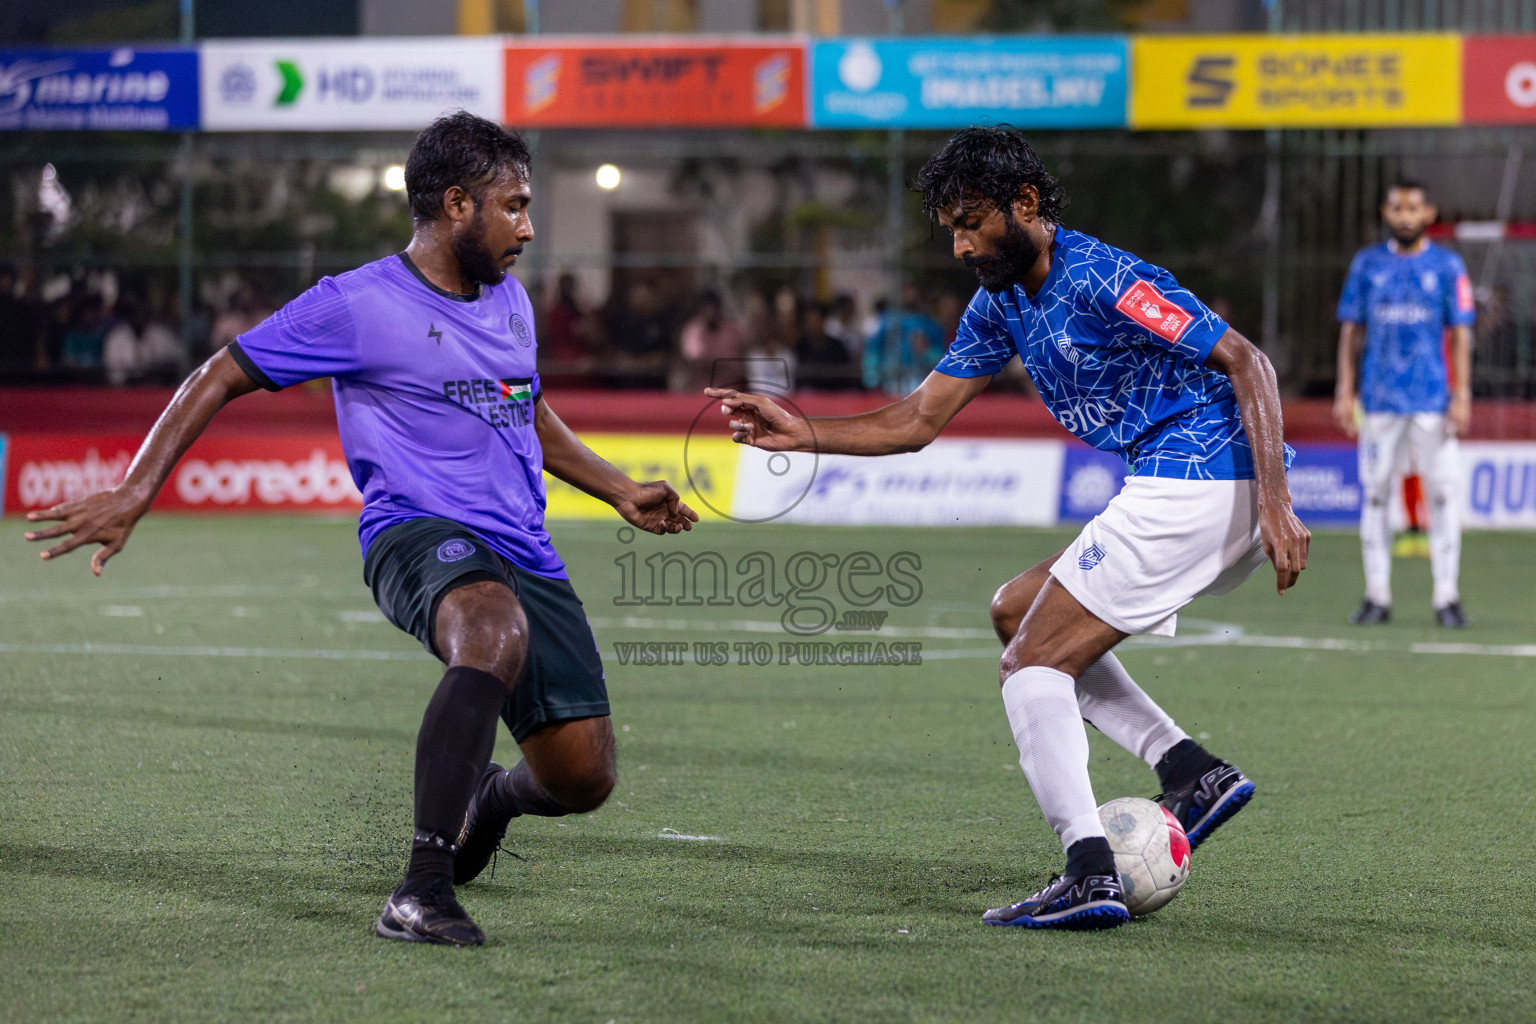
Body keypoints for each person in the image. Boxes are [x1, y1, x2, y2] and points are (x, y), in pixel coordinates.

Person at [24, 112, 698, 947]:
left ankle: (488, 799)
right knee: (488, 628)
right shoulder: (356, 303)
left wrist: (620, 490)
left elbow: (527, 411)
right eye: (514, 206)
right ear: (457, 204)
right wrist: (137, 487)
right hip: (416, 532)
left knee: (581, 777)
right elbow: (219, 374)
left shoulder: (511, 299)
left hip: (527, 548)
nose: (528, 226)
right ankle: (420, 890)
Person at [708, 126, 1308, 931]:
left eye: (971, 222)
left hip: (1203, 476)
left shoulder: (1104, 276)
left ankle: (1089, 869)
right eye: (950, 227)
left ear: (1025, 203)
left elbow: (1247, 361)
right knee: (1013, 612)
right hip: (1181, 482)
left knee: (1031, 665)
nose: (959, 245)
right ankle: (1190, 770)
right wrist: (801, 430)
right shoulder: (1001, 304)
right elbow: (918, 420)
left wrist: (1276, 500)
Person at [1333, 181, 1475, 628]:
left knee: (1444, 494)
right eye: (1397, 207)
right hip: (1378, 400)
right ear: (1386, 211)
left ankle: (1446, 597)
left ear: (1429, 212)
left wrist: (1463, 394)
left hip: (1433, 399)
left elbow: (1462, 334)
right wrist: (1344, 389)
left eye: (1413, 207)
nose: (1405, 215)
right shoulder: (1368, 264)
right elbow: (1351, 331)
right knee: (1375, 495)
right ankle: (1377, 595)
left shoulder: (1448, 265)